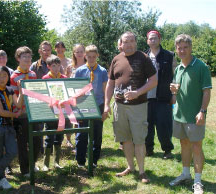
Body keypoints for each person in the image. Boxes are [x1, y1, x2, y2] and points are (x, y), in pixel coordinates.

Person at [103, 32, 157, 183]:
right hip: (119, 106)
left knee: (139, 140)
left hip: (138, 106)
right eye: (126, 42)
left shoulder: (143, 58)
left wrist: (138, 92)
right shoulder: (116, 59)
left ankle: (141, 171)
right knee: (125, 139)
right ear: (120, 44)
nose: (130, 44)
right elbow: (110, 83)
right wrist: (107, 104)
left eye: (132, 41)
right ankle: (130, 167)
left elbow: (154, 81)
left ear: (136, 43)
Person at [169, 34, 212, 194]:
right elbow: (176, 94)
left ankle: (198, 181)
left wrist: (202, 111)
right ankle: (186, 174)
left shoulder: (201, 67)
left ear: (191, 48)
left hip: (195, 116)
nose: (182, 50)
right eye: (179, 48)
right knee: (184, 144)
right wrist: (173, 91)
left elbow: (206, 92)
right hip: (179, 115)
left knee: (196, 147)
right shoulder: (178, 68)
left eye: (185, 47)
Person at [0, 66, 23, 189]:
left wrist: (21, 90)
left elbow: (18, 104)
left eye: (5, 76)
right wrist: (15, 114)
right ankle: (1, 178)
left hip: (9, 126)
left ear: (8, 77)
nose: (2, 79)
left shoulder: (10, 90)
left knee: (12, 151)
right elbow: (1, 112)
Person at [74, 45, 108, 168]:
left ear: (97, 56)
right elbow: (75, 89)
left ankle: (93, 160)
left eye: (94, 56)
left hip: (98, 104)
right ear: (85, 56)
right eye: (89, 57)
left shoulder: (103, 71)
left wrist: (105, 108)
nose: (91, 59)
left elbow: (105, 91)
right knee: (81, 133)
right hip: (83, 105)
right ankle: (80, 161)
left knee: (97, 134)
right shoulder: (79, 71)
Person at [145, 30, 176, 159]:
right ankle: (148, 149)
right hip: (146, 98)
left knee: (164, 125)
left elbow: (176, 76)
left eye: (155, 38)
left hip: (163, 97)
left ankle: (167, 150)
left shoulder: (169, 55)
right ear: (147, 41)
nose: (153, 40)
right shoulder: (144, 56)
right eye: (150, 39)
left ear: (160, 39)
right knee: (147, 126)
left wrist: (174, 94)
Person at [10, 46, 40, 177]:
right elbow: (13, 98)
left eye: (29, 57)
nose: (27, 59)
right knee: (22, 143)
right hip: (20, 114)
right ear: (18, 59)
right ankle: (25, 169)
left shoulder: (33, 74)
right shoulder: (13, 77)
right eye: (24, 57)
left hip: (34, 113)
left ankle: (32, 163)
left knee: (37, 140)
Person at [41, 55, 67, 171]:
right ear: (48, 66)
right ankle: (46, 163)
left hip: (62, 111)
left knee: (59, 135)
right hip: (50, 111)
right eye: (53, 66)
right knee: (49, 136)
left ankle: (56, 162)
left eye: (58, 65)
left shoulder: (64, 77)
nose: (56, 68)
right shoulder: (45, 78)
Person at [65, 44, 86, 149]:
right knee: (74, 120)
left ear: (85, 53)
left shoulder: (89, 65)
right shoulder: (70, 67)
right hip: (73, 97)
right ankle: (74, 142)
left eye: (81, 51)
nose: (79, 54)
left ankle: (83, 143)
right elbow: (67, 81)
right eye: (77, 52)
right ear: (74, 53)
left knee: (82, 120)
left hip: (85, 97)